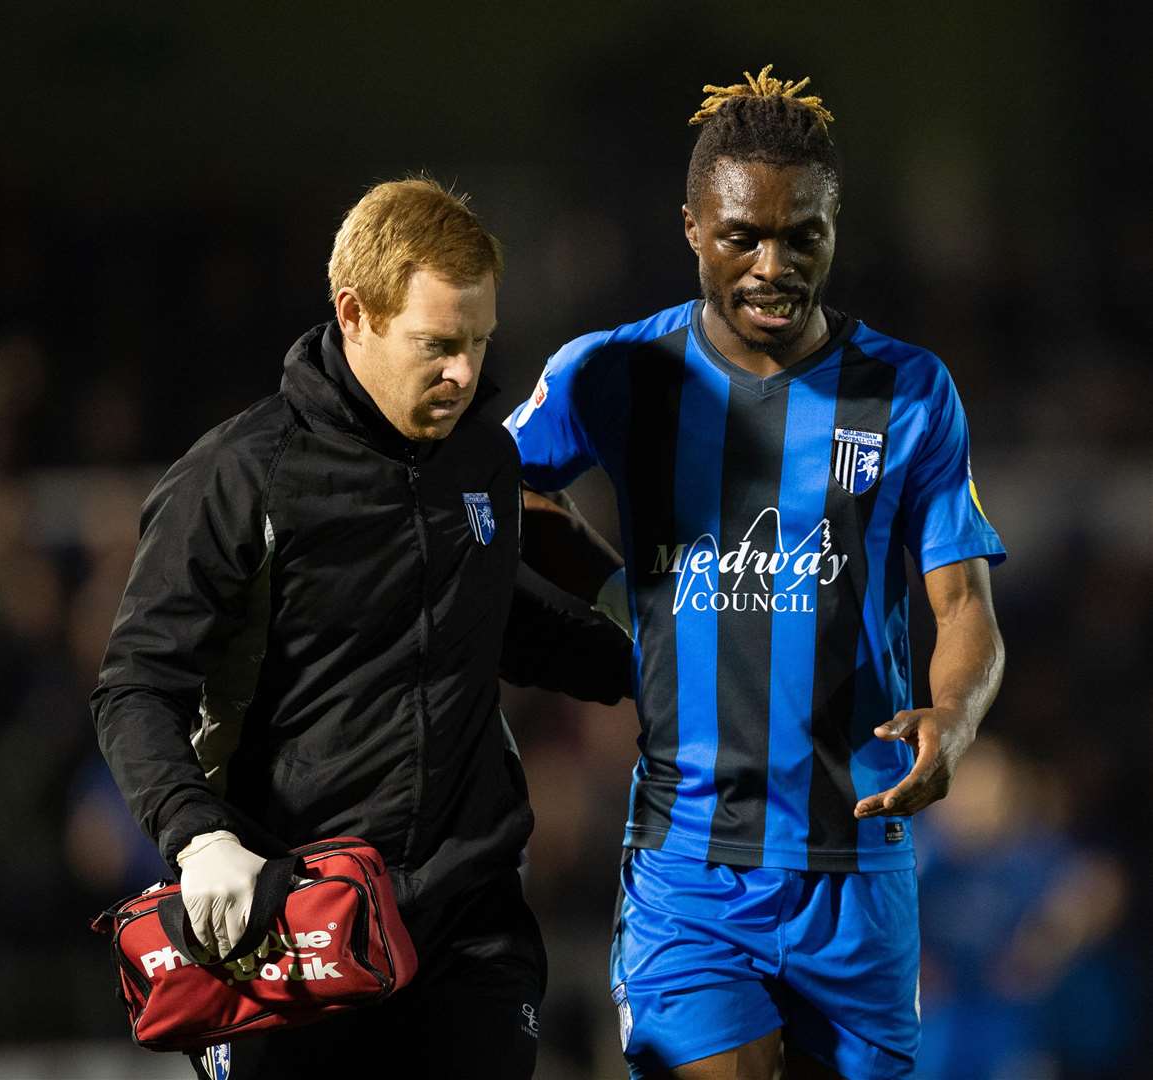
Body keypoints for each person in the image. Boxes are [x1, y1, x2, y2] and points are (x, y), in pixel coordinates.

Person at [507, 66, 1007, 1079]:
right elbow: (498, 488)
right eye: (741, 236)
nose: (771, 265)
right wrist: (615, 596)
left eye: (802, 237)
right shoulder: (615, 372)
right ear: (692, 226)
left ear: (835, 230)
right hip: (688, 866)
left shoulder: (908, 392)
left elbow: (963, 609)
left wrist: (950, 722)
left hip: (860, 868)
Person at [91, 177, 632, 1080]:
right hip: (291, 917)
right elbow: (135, 685)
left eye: (480, 342)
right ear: (356, 313)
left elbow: (495, 617)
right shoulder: (237, 478)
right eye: (437, 345)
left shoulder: (483, 459)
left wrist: (656, 661)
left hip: (469, 920)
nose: (464, 373)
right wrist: (197, 835)